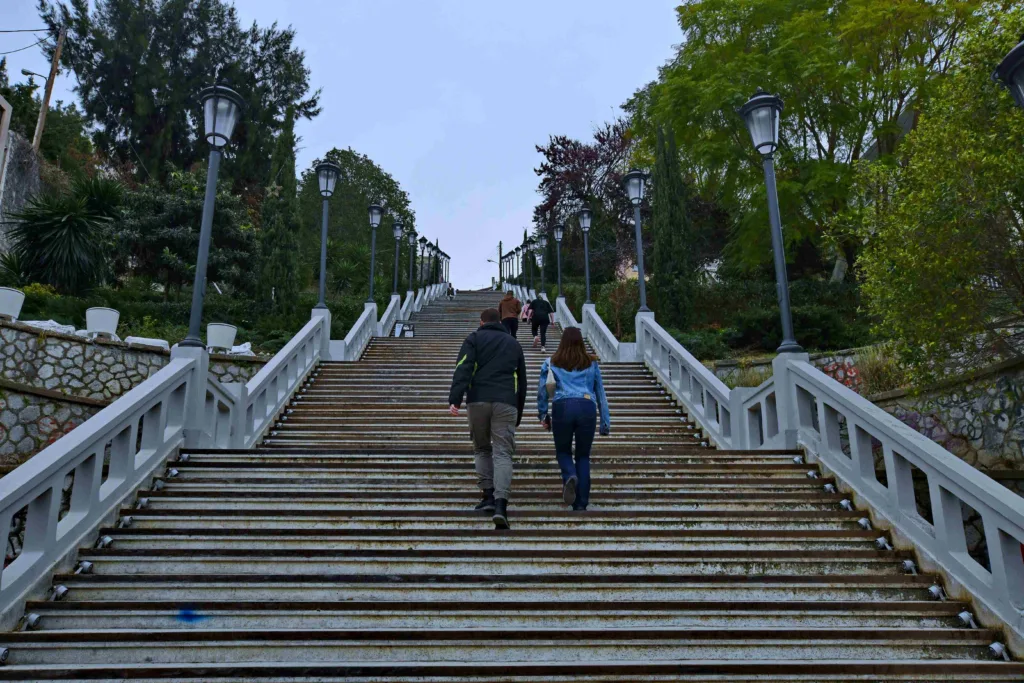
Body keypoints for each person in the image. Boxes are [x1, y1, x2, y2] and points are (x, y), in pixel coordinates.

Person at [448, 308, 528, 529]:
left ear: (481, 322)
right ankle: (501, 506)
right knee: (503, 452)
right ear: (500, 321)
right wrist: (518, 411)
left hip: (478, 400)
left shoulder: (474, 339)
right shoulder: (513, 343)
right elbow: (522, 381)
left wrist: (455, 399)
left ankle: (488, 496)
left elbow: (463, 367)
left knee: (482, 449)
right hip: (506, 402)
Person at [536, 326, 610, 511]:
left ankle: (570, 474)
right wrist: (605, 422)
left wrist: (543, 414)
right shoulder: (591, 363)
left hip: (562, 406)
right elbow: (600, 393)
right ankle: (581, 503)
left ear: (562, 342)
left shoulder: (551, 362)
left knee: (563, 452)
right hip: (587, 406)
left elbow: (542, 391)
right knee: (583, 456)